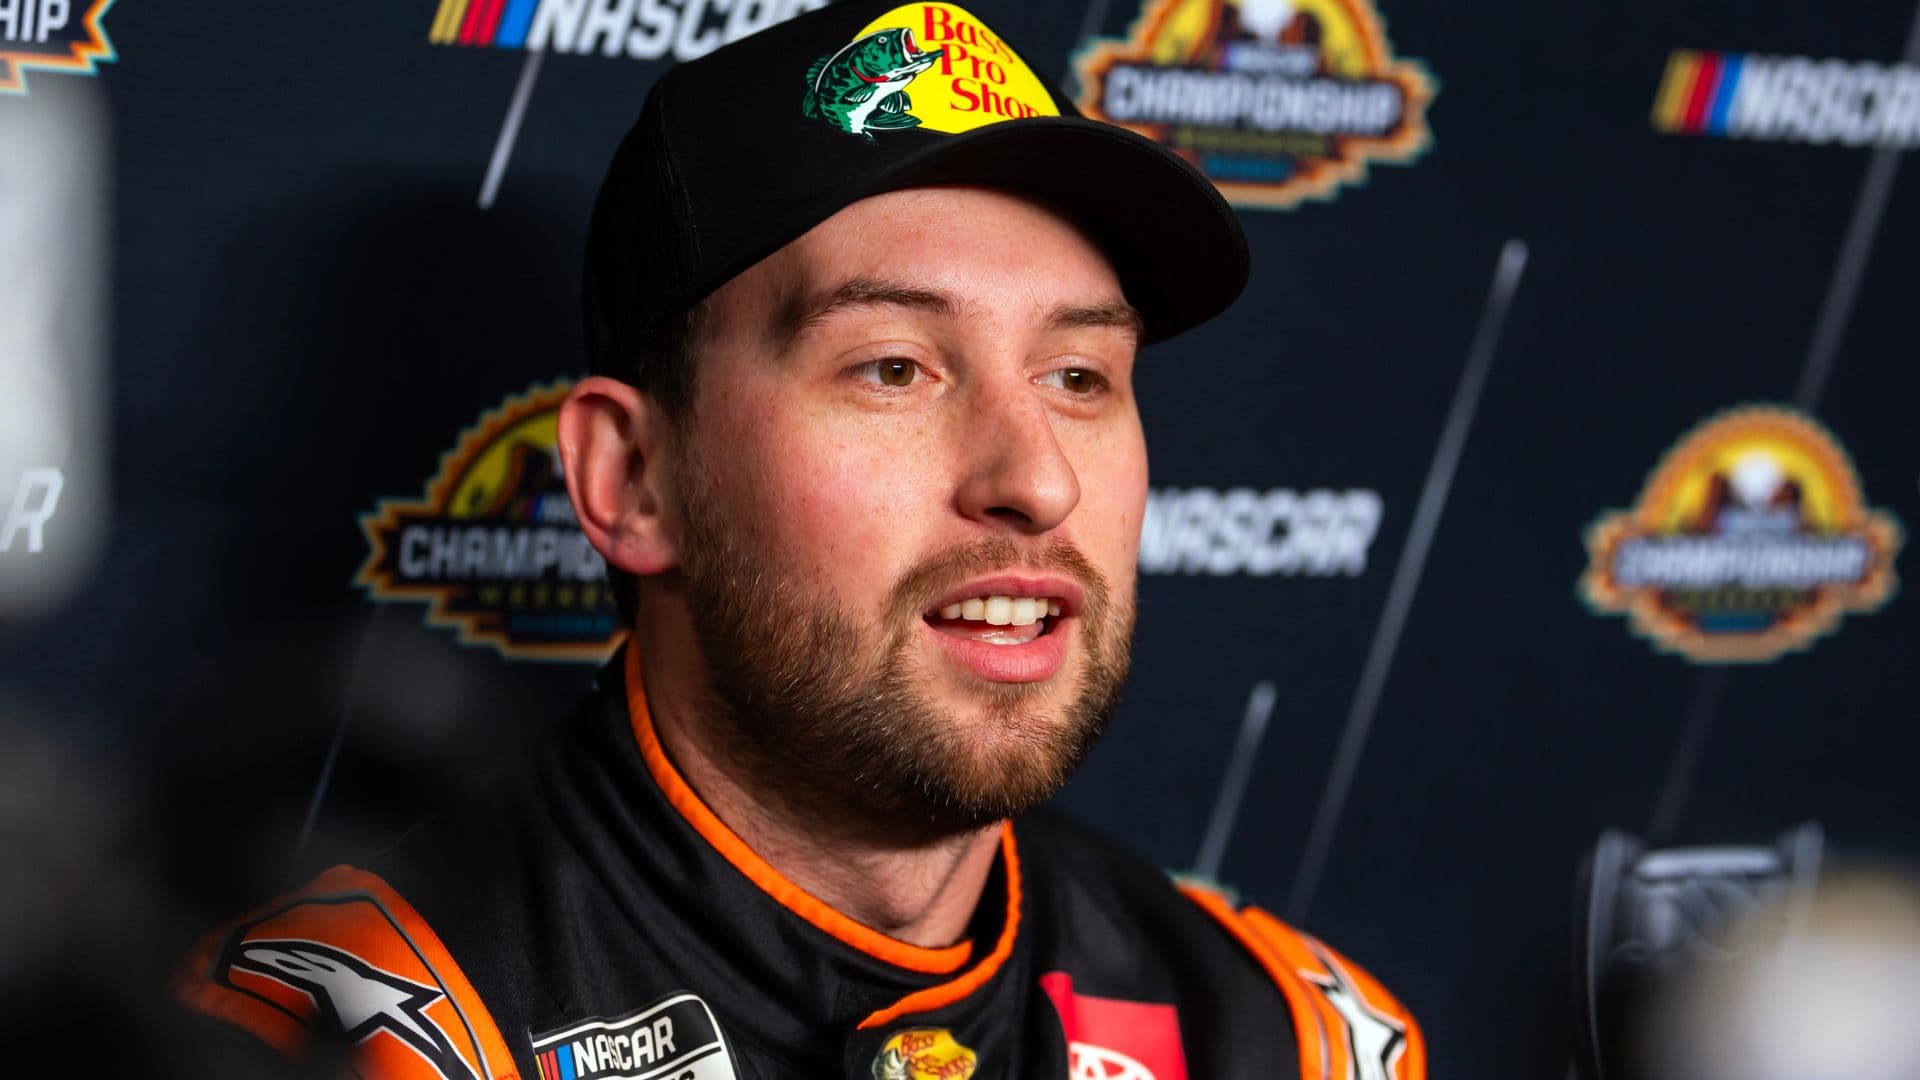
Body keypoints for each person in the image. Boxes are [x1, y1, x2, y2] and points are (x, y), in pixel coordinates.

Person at [175, 3, 1425, 1077]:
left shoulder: (1290, 1036)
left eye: (1081, 376)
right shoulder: (356, 1028)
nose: (1034, 478)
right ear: (634, 480)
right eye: (895, 368)